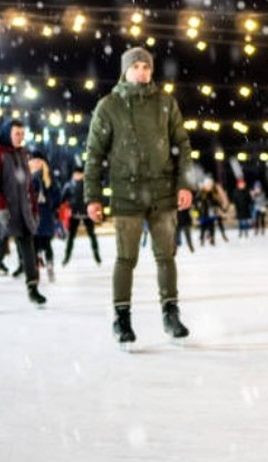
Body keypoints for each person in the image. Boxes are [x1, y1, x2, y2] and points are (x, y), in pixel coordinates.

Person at [84, 46, 195, 349]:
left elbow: (182, 146)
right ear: (125, 70)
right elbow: (94, 154)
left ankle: (170, 313)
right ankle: (122, 319)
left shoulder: (166, 104)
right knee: (126, 258)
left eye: (147, 67)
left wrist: (185, 184)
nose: (142, 72)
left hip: (162, 192)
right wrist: (92, 196)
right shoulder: (109, 106)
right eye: (136, 67)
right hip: (126, 192)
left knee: (166, 256)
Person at [0, 120, 48, 306]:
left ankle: (33, 288)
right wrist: (2, 208)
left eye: (22, 133)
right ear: (7, 134)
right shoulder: (2, 155)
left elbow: (28, 187)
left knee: (29, 248)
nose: (20, 137)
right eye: (16, 133)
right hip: (5, 212)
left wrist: (34, 209)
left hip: (23, 211)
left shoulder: (22, 154)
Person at [29, 151, 61, 283]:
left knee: (46, 243)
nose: (36, 163)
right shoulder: (26, 177)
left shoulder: (49, 178)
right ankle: (35, 268)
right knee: (34, 244)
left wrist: (51, 205)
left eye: (39, 161)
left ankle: (49, 265)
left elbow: (56, 195)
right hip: (31, 215)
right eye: (34, 161)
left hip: (45, 214)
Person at [61, 165, 102, 265]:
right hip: (74, 214)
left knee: (92, 235)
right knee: (71, 236)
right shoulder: (69, 185)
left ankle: (96, 254)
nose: (77, 176)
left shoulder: (87, 185)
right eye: (76, 174)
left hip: (87, 213)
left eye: (79, 174)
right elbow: (63, 199)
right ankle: (67, 255)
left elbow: (95, 198)